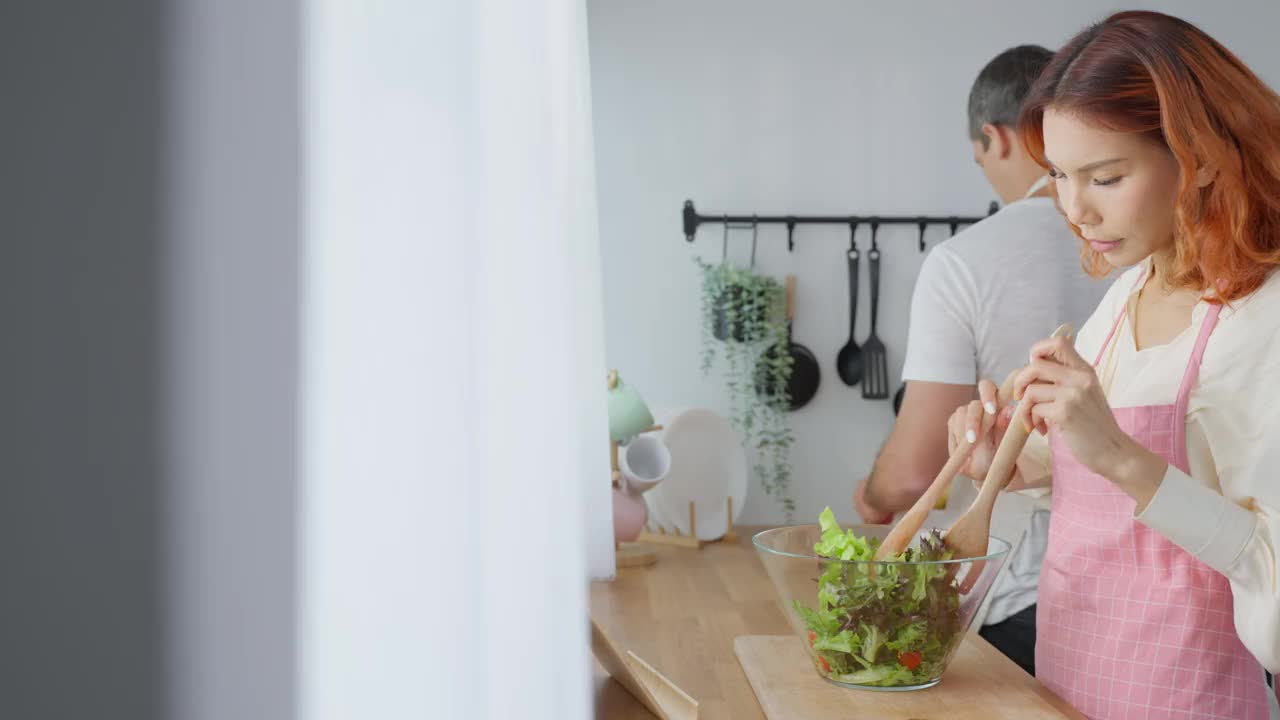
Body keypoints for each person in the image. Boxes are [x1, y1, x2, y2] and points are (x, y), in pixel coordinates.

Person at [950, 11, 1280, 719]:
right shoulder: (1128, 289)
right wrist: (1019, 464)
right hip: (1067, 691)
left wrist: (1124, 458)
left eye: (1105, 176)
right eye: (1061, 177)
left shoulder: (1265, 319)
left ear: (1205, 156)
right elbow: (1104, 487)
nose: (1075, 209)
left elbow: (1274, 586)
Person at [852, 45, 1106, 674]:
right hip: (1162, 581)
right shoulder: (1158, 250)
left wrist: (875, 494)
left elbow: (915, 475)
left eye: (979, 158)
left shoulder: (966, 262)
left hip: (1029, 590)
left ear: (997, 137)